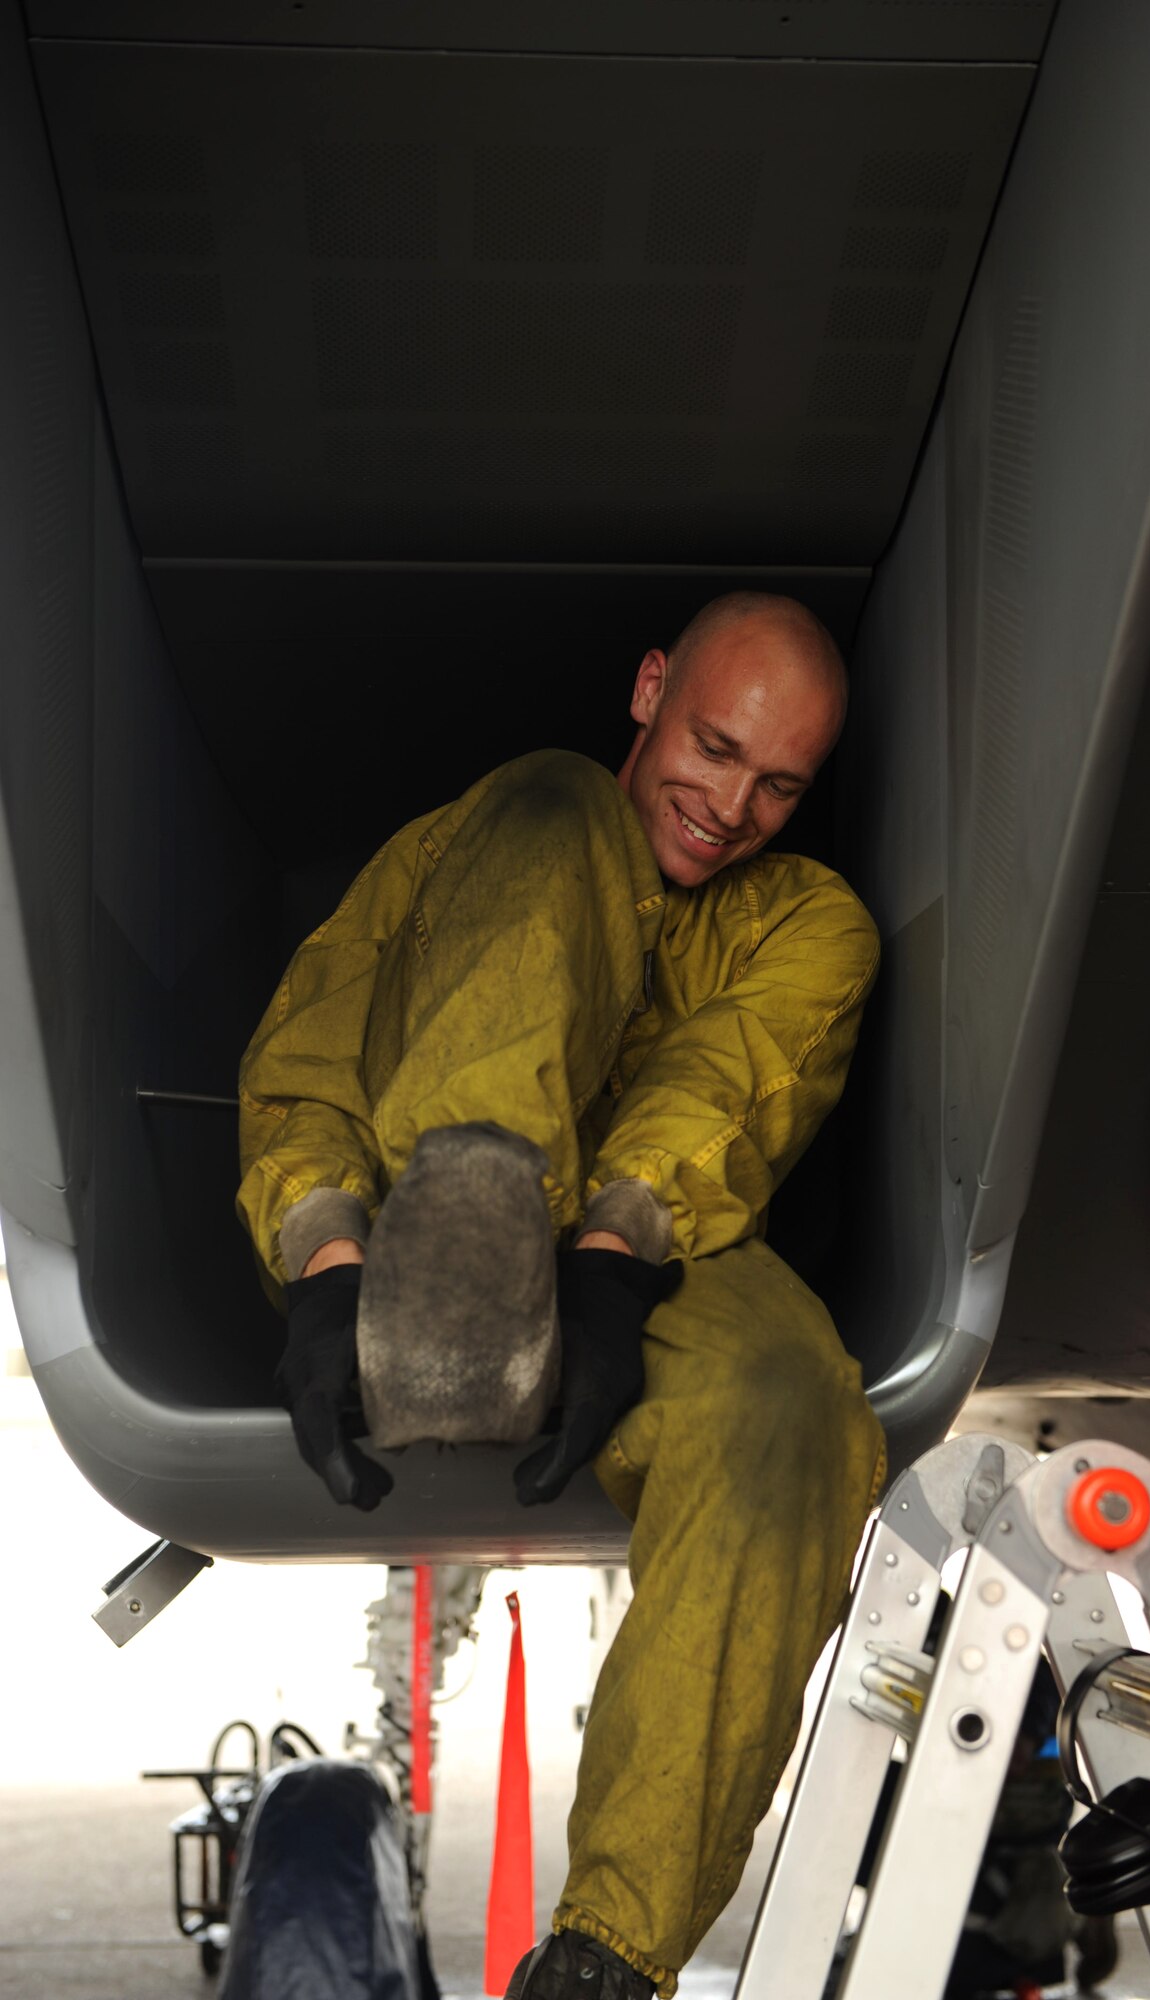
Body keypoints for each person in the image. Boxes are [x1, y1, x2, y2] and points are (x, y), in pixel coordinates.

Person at [236, 592, 888, 2000]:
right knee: (549, 802)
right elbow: (311, 1066)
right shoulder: (477, 843)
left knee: (790, 1402)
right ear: (653, 686)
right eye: (714, 748)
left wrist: (603, 1262)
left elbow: (720, 1095)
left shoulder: (803, 920)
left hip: (644, 1266)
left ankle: (608, 1955)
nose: (730, 807)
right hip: (414, 1248)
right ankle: (456, 1276)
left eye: (779, 783)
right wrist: (328, 1261)